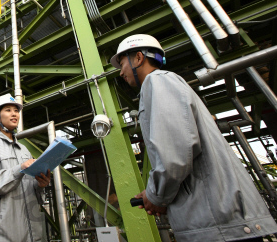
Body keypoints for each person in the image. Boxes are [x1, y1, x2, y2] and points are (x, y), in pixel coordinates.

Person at [111, 34, 277, 242]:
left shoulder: (158, 81)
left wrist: (156, 196)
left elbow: (174, 154)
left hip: (217, 225)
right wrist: (154, 192)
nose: (121, 71)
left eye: (122, 62)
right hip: (220, 221)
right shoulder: (165, 83)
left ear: (138, 58)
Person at [0, 94, 51, 241]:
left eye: (16, 110)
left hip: (31, 234)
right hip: (0, 234)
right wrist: (19, 168)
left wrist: (41, 184)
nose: (14, 113)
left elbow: (30, 189)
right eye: (8, 110)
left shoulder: (24, 150)